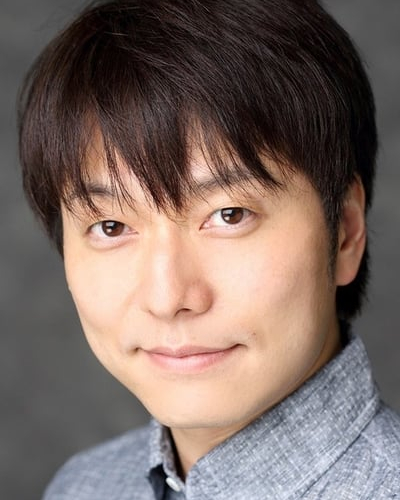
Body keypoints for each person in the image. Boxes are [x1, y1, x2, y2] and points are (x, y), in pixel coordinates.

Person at [18, 0, 400, 498]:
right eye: (111, 226)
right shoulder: (84, 487)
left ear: (345, 231)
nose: (168, 297)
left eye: (230, 215)